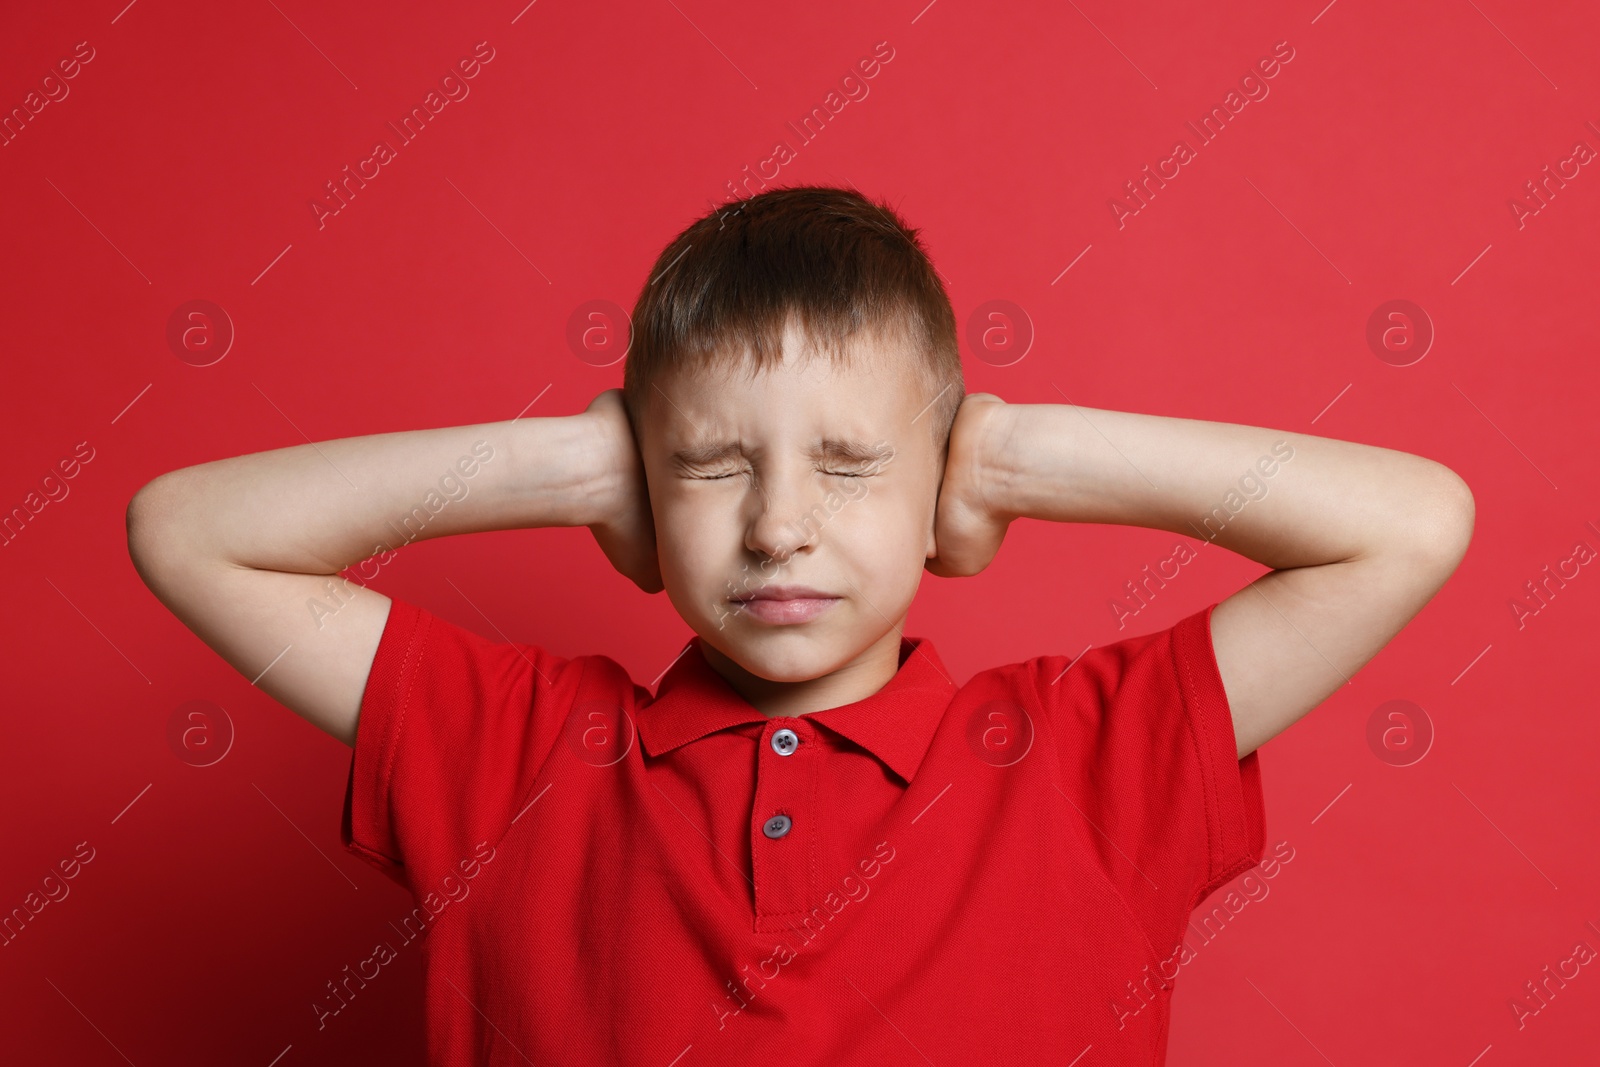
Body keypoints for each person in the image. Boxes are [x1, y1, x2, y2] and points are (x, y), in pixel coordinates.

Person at [125, 185, 1474, 1064]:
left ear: (935, 486)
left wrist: (1016, 458)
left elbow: (1409, 523)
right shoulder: (519, 758)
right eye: (715, 467)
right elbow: (186, 529)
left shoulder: (1085, 759)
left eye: (847, 465)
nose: (779, 526)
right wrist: (578, 470)